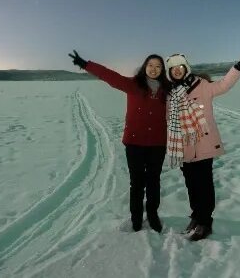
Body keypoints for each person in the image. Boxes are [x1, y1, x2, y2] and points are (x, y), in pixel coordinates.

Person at [70, 49, 170, 232]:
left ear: (162, 70)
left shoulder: (167, 90)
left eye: (158, 66)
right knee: (137, 183)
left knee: (154, 181)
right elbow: (110, 76)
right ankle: (136, 217)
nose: (154, 69)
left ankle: (153, 214)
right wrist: (86, 64)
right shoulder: (133, 85)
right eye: (150, 65)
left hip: (158, 143)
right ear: (144, 67)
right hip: (135, 143)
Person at [165, 48, 240, 241]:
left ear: (186, 68)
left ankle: (205, 222)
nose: (176, 71)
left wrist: (239, 66)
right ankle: (196, 216)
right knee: (191, 184)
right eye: (172, 69)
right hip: (184, 147)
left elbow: (224, 85)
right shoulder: (170, 94)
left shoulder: (201, 85)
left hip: (203, 143)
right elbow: (168, 120)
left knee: (204, 185)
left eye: (179, 67)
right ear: (170, 72)